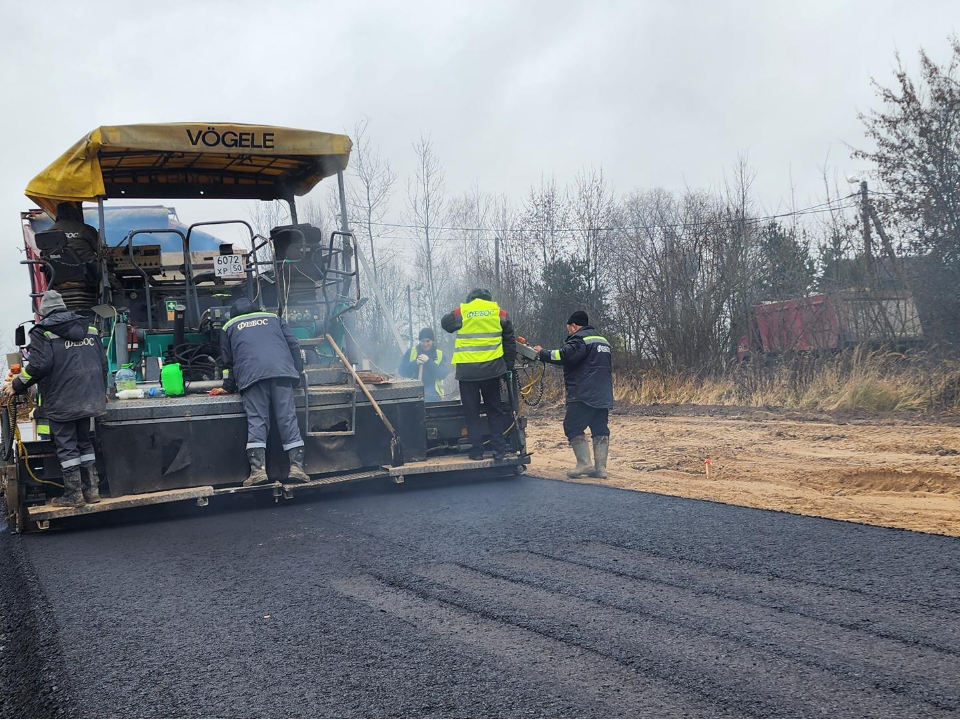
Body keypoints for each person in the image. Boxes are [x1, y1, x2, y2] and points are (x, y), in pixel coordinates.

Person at [3, 290, 108, 507]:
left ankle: (74, 495)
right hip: (89, 397)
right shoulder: (90, 328)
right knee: (84, 442)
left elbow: (39, 366)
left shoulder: (43, 332)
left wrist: (17, 384)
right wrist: (101, 390)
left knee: (67, 446)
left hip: (62, 400)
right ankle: (93, 490)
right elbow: (103, 364)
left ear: (43, 313)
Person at [220, 298, 309, 486]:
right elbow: (293, 344)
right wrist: (298, 372)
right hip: (282, 372)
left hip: (252, 376)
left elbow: (227, 361)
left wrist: (227, 386)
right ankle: (297, 468)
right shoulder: (274, 318)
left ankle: (258, 472)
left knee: (258, 421)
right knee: (287, 418)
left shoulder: (229, 326)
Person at [534, 310, 613, 479]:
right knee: (600, 428)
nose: (568, 332)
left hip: (582, 393)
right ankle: (601, 469)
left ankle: (584, 464)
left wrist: (542, 353)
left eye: (569, 328)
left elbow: (563, 355)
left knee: (572, 426)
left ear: (574, 326)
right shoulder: (602, 341)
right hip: (603, 393)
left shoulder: (579, 339)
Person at [441, 288, 516, 461]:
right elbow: (510, 342)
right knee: (494, 410)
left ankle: (477, 451)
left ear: (471, 299)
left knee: (471, 412)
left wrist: (459, 310)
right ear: (489, 299)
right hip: (492, 370)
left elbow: (446, 324)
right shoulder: (499, 313)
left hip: (468, 372)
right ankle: (499, 450)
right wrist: (508, 368)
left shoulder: (464, 311)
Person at [398, 327, 450, 402]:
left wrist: (428, 362)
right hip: (413, 392)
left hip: (434, 395)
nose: (425, 344)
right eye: (423, 341)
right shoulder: (411, 352)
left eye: (428, 341)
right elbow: (402, 370)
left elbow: (442, 374)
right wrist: (415, 363)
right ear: (420, 341)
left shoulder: (440, 354)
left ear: (432, 341)